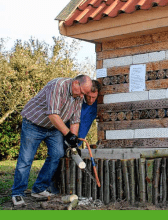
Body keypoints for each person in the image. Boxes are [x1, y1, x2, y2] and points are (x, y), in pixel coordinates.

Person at [11, 75, 92, 206]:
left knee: (57, 154)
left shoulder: (79, 95)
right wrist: (67, 134)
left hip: (53, 127)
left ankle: (38, 189)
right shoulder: (58, 86)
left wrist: (73, 140)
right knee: (26, 159)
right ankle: (17, 193)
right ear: (76, 83)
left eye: (84, 93)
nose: (82, 95)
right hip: (34, 124)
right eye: (81, 91)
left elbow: (75, 120)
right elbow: (53, 114)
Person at [49, 80, 101, 194]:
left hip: (78, 138)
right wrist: (68, 134)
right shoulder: (78, 101)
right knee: (58, 155)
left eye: (94, 97)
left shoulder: (97, 103)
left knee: (72, 159)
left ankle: (68, 185)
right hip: (66, 133)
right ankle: (51, 184)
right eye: (89, 97)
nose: (91, 100)